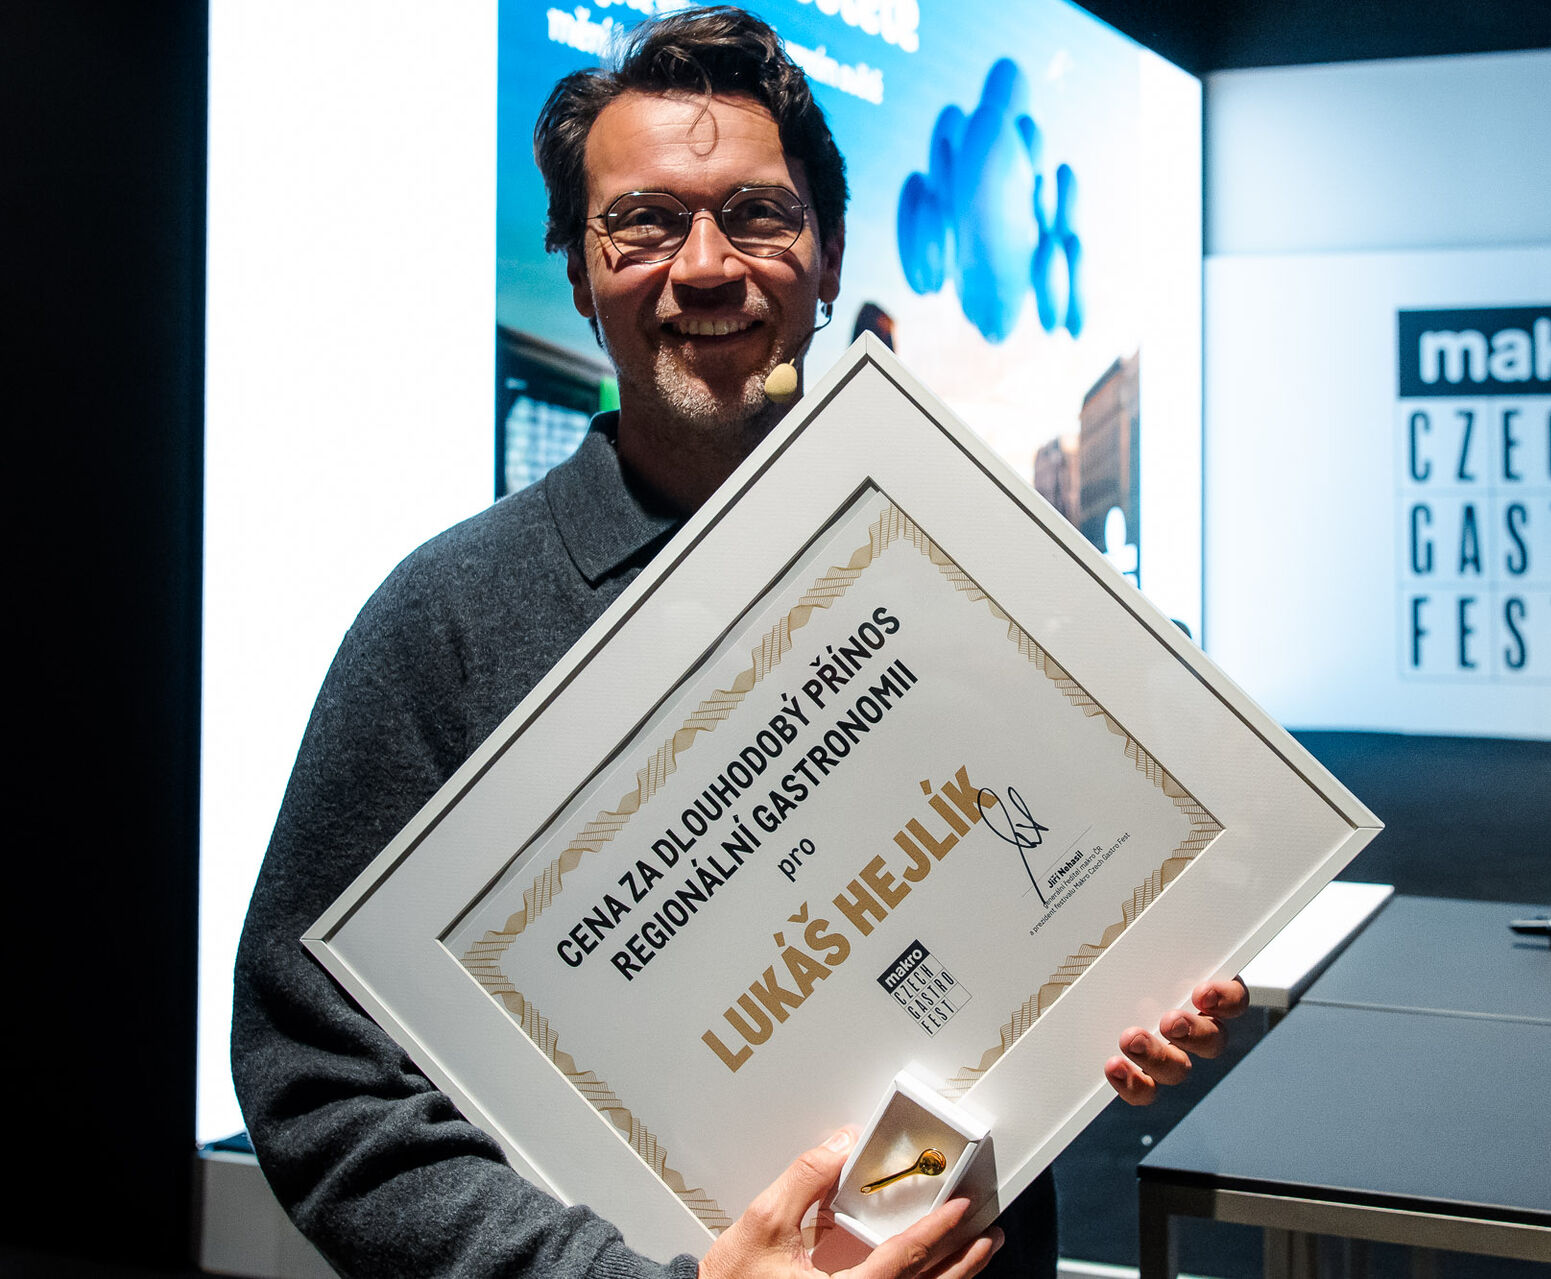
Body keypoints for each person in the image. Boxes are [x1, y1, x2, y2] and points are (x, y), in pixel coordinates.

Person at [231, 9, 1247, 1279]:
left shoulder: (974, 561)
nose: (706, 266)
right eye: (645, 222)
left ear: (827, 261)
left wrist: (1134, 980)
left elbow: (1110, 860)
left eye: (758, 215)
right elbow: (324, 1082)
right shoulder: (443, 625)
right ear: (579, 269)